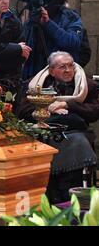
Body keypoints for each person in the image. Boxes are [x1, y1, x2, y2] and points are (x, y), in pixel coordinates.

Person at [18, 52, 98, 204]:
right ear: (52, 70)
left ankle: (69, 194)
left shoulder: (86, 86)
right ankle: (50, 193)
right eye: (62, 67)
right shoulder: (36, 85)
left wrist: (69, 105)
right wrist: (47, 109)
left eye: (70, 66)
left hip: (75, 131)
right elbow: (22, 111)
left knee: (78, 142)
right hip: (45, 131)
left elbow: (94, 112)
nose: (68, 70)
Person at [22, 0, 84, 80]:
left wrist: (48, 23)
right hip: (35, 75)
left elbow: (72, 42)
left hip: (60, 76)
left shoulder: (70, 16)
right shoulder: (34, 16)